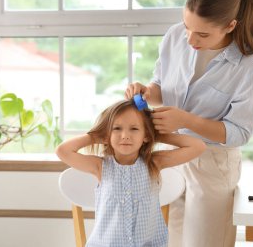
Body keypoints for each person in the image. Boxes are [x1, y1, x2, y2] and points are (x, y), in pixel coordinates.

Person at [125, 0, 253, 247]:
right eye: (187, 27)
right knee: (168, 240)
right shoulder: (175, 36)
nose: (191, 40)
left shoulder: (250, 64)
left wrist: (186, 120)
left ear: (230, 26)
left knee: (204, 243)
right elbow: (162, 84)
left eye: (202, 35)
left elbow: (239, 132)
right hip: (171, 156)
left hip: (212, 165)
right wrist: (148, 92)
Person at [56, 99, 206, 247]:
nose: (125, 135)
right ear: (107, 135)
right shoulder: (100, 166)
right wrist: (96, 136)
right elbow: (63, 151)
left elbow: (197, 146)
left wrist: (154, 134)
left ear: (145, 135)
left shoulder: (153, 163)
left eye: (134, 129)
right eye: (117, 129)